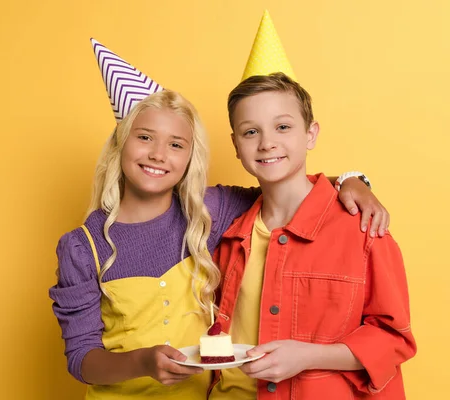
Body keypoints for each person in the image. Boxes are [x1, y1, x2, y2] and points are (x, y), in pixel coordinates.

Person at [50, 39, 388, 400]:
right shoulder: (82, 247)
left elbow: (286, 186)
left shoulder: (208, 209)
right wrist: (142, 363)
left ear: (189, 157)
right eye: (145, 137)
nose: (159, 154)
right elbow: (81, 358)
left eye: (176, 144)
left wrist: (352, 179)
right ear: (121, 143)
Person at [209, 72, 416, 400]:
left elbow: (394, 339)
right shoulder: (227, 233)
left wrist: (307, 356)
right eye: (251, 132)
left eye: (283, 127)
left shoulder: (363, 228)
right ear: (235, 144)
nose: (267, 143)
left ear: (310, 134)